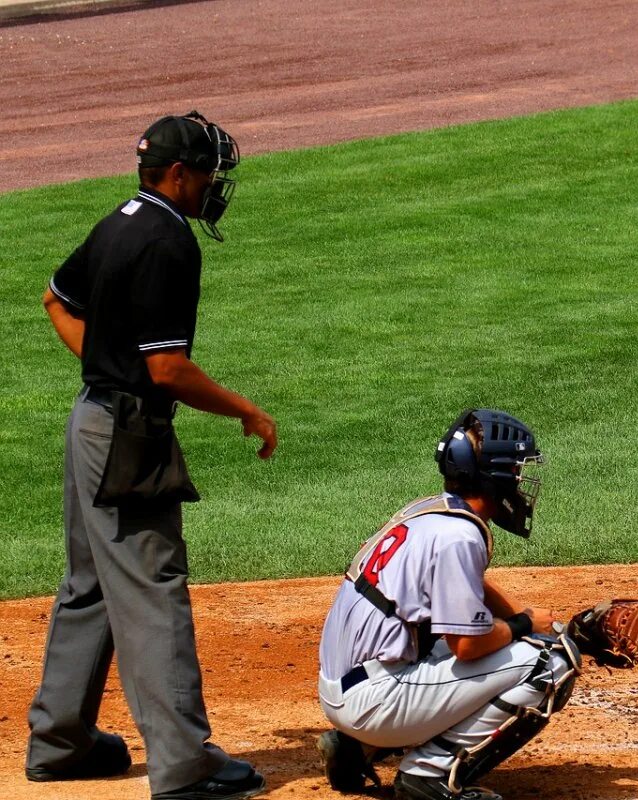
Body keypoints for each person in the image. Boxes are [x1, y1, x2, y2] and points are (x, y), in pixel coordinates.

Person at [31, 111, 277, 799]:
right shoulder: (168, 241)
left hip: (91, 423)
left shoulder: (118, 220)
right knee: (152, 588)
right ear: (178, 173)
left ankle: (62, 741)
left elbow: (56, 300)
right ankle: (184, 764)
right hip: (127, 438)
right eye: (206, 174)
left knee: (91, 583)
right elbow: (167, 369)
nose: (212, 186)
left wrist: (108, 367)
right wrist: (247, 410)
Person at [316, 409, 580, 800]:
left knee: (501, 637)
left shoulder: (429, 510)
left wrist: (526, 616)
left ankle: (356, 749)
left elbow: (470, 589)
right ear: (494, 477)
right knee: (550, 662)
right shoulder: (461, 537)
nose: (522, 481)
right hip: (374, 701)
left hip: (345, 686)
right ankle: (429, 775)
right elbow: (467, 646)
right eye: (518, 470)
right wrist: (526, 627)